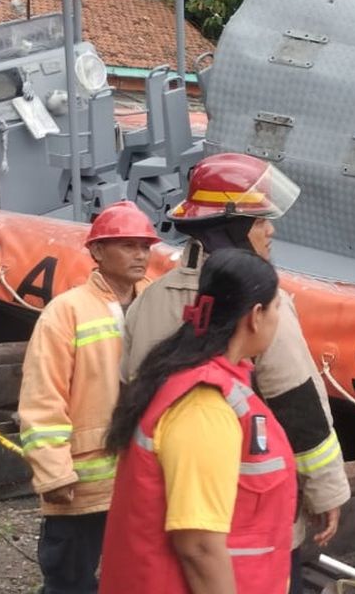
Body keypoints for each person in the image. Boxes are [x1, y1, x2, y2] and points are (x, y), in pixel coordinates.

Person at [122, 153, 350, 590]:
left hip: (160, 507)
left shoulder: (151, 299)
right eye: (260, 219)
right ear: (230, 229)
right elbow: (298, 404)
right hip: (246, 521)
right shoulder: (261, 306)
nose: (271, 229)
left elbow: (129, 394)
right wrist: (328, 491)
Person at [100, 249, 294, 594]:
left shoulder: (191, 377)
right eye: (277, 307)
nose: (279, 317)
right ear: (256, 315)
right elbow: (199, 545)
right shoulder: (205, 405)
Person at [18, 200, 160, 594]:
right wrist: (53, 471)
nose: (140, 254)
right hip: (85, 482)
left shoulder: (160, 304)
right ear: (97, 252)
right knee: (70, 578)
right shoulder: (66, 313)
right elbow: (43, 396)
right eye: (128, 245)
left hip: (148, 471)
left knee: (139, 576)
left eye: (145, 246)